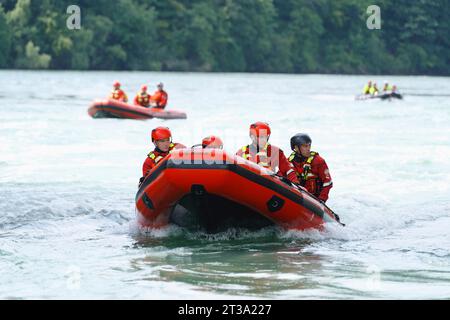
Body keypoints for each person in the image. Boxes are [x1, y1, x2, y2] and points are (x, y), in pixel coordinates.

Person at [288, 133, 333, 202]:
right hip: (296, 196)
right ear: (296, 147)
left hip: (314, 199)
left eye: (309, 145)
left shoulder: (319, 161)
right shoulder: (289, 161)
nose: (308, 148)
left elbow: (328, 182)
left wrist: (322, 199)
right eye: (305, 146)